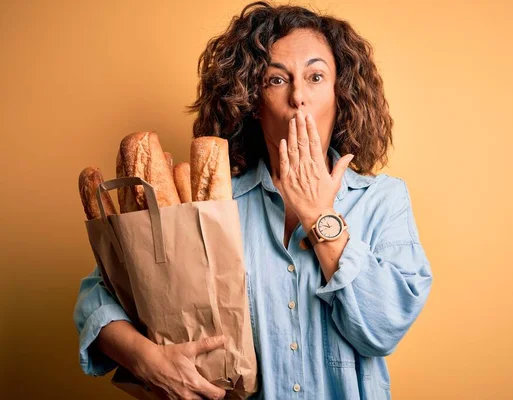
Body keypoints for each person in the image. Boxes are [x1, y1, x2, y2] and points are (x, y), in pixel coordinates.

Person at [73, 2, 433, 399]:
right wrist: (146, 361)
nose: (299, 96)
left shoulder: (383, 200)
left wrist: (319, 216)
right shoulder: (210, 204)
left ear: (340, 96)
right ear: (252, 104)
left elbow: (383, 328)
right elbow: (98, 298)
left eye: (316, 77)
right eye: (277, 80)